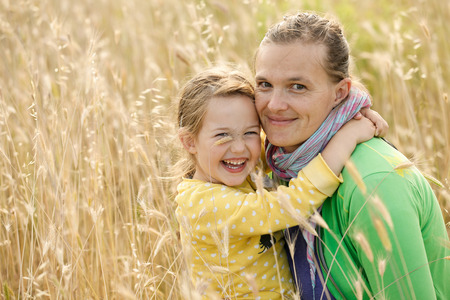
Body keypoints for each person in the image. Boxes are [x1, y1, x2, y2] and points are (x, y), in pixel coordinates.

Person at [254, 12, 449, 300]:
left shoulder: (374, 184)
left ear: (340, 93)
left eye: (298, 87)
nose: (275, 105)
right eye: (265, 85)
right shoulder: (277, 162)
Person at [174, 66, 384, 299]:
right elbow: (290, 205)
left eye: (250, 132)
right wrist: (347, 137)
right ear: (189, 141)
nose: (239, 147)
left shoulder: (235, 168)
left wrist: (354, 110)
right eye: (222, 135)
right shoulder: (202, 204)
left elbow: (297, 140)